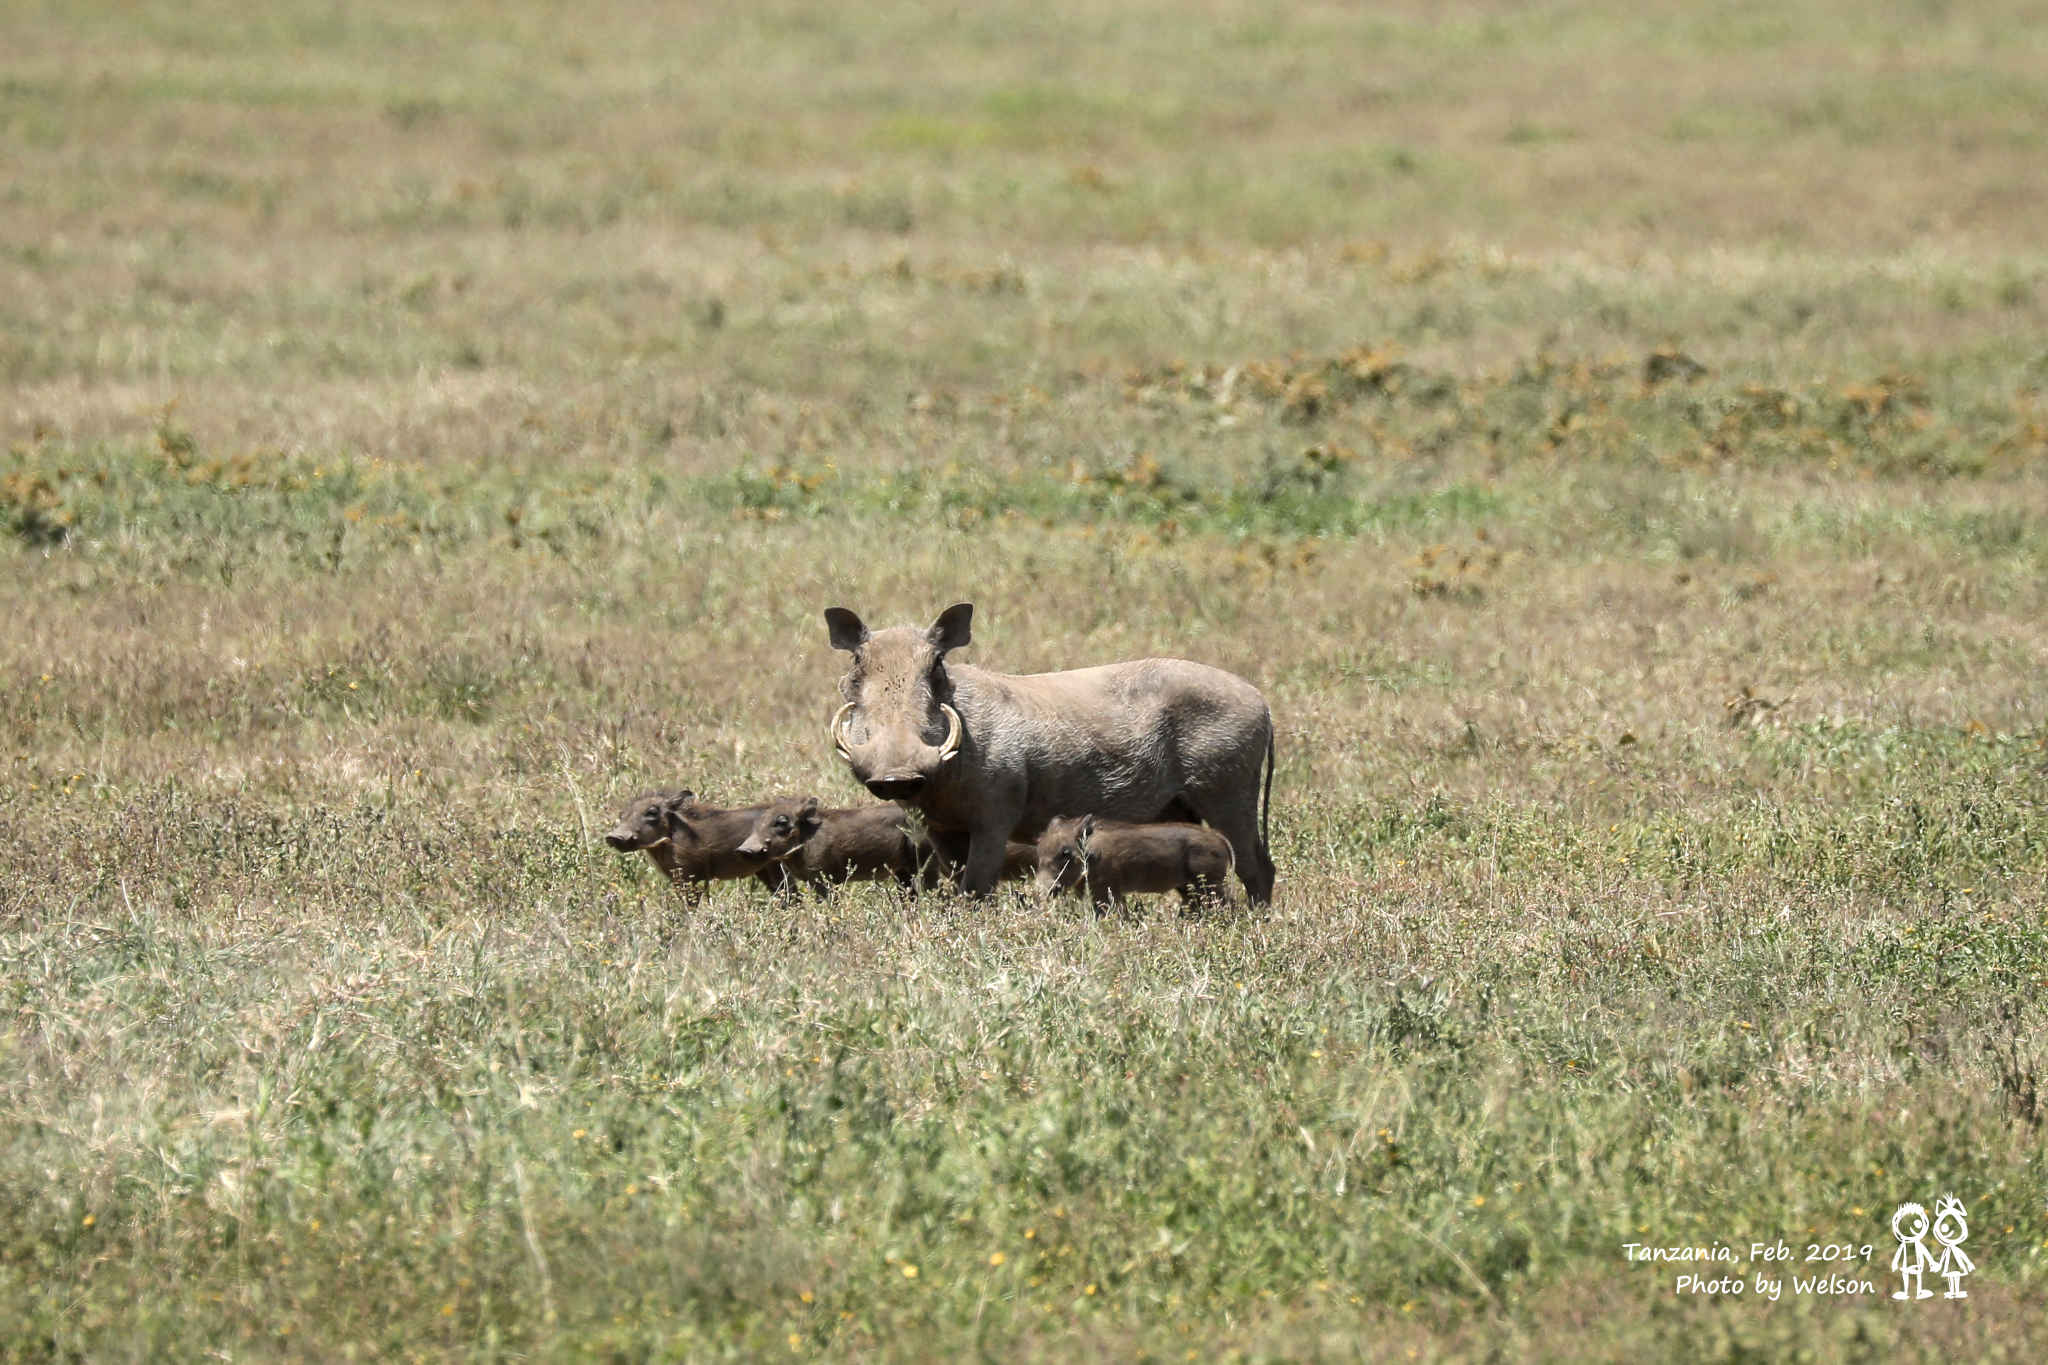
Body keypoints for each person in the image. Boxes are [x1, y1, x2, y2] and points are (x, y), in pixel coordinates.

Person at [1930, 1194, 1972, 1299]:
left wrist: (1968, 1263)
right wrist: (1939, 1265)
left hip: (1956, 1264)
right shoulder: (1948, 1249)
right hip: (1949, 1264)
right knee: (1951, 1276)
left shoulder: (1954, 1248)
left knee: (1956, 1275)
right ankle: (1952, 1291)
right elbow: (1944, 1256)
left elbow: (1961, 1255)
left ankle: (1956, 1291)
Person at [1890, 1203, 1933, 1300]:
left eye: (1917, 1224)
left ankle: (1919, 1291)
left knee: (1917, 1275)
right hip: (1906, 1264)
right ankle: (1905, 1291)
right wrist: (1895, 1263)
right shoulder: (1904, 1244)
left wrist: (1932, 1262)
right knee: (1906, 1275)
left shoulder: (1917, 1244)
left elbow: (1925, 1252)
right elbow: (1899, 1252)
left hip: (1916, 1263)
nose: (1911, 1229)